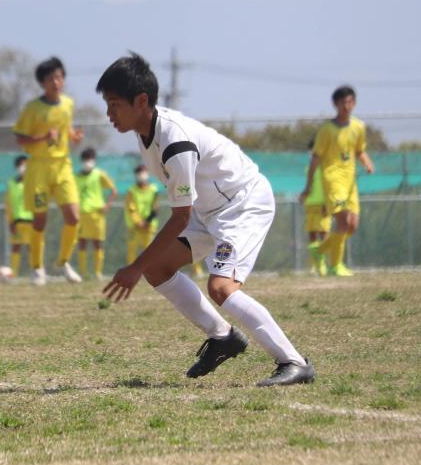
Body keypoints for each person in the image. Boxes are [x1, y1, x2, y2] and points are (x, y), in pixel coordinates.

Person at [98, 54, 314, 386]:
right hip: (206, 210)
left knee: (221, 287)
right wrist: (144, 266)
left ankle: (294, 362)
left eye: (114, 105)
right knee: (159, 269)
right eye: (107, 105)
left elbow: (179, 217)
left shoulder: (176, 142)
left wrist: (134, 267)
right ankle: (223, 337)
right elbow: (185, 209)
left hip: (241, 205)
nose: (109, 114)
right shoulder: (145, 132)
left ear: (141, 101)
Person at [12, 57, 84, 285]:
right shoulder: (32, 108)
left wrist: (73, 136)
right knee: (40, 220)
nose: (56, 82)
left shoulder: (68, 104)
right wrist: (43, 138)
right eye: (51, 78)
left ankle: (63, 262)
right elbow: (20, 138)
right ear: (42, 82)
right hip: (39, 167)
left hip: (63, 165)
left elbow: (65, 128)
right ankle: (37, 268)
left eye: (59, 77)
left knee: (73, 216)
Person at [300, 86, 374, 277]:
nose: (347, 106)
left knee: (352, 225)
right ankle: (336, 265)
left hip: (350, 181)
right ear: (335, 104)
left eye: (350, 102)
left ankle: (319, 250)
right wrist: (308, 186)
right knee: (344, 221)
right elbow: (316, 158)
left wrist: (367, 163)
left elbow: (359, 150)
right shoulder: (326, 130)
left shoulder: (358, 127)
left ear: (354, 103)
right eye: (343, 102)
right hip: (333, 179)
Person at [75, 147, 117, 279]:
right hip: (81, 214)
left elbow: (113, 190)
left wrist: (107, 205)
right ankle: (82, 272)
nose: (88, 162)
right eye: (85, 159)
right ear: (82, 161)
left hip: (97, 214)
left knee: (97, 242)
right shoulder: (76, 176)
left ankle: (98, 273)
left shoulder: (99, 174)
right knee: (82, 242)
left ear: (94, 160)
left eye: (90, 159)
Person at [303, 138, 331, 276]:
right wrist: (304, 195)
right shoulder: (309, 168)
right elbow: (310, 186)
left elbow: (328, 187)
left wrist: (327, 203)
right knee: (312, 234)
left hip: (322, 204)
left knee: (324, 234)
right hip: (310, 204)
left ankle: (323, 263)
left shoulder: (326, 167)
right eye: (310, 150)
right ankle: (314, 265)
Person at [124, 164, 159, 265]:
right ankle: (131, 270)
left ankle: (150, 272)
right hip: (135, 226)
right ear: (136, 175)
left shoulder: (154, 189)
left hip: (149, 226)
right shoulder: (131, 190)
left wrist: (147, 222)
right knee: (132, 250)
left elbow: (155, 208)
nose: (142, 175)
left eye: (144, 172)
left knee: (150, 251)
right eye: (139, 173)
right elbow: (131, 209)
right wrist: (139, 222)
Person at [5, 155, 34, 276]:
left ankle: (36, 272)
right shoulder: (12, 183)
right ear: (16, 167)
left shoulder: (33, 182)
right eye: (21, 165)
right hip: (17, 221)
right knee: (16, 246)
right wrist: (10, 221)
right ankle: (14, 273)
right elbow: (8, 204)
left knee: (33, 246)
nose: (23, 168)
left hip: (32, 221)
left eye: (26, 165)